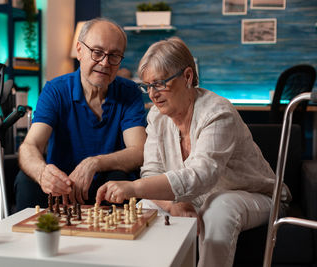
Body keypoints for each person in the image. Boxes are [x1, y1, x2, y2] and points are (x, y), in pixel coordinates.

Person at [96, 37, 291, 267]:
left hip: (257, 196)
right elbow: (151, 173)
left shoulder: (218, 113)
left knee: (220, 208)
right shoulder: (156, 117)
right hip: (198, 197)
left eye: (159, 83)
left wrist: (133, 187)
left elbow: (201, 175)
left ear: (187, 77)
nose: (152, 94)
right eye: (147, 86)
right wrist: (172, 204)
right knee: (144, 207)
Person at [16, 18, 147, 210]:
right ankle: (29, 239)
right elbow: (30, 145)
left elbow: (139, 151)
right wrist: (43, 173)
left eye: (114, 56)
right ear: (79, 50)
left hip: (107, 185)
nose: (105, 63)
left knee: (119, 179)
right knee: (26, 180)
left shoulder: (129, 92)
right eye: (97, 52)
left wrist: (94, 163)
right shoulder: (55, 90)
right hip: (62, 187)